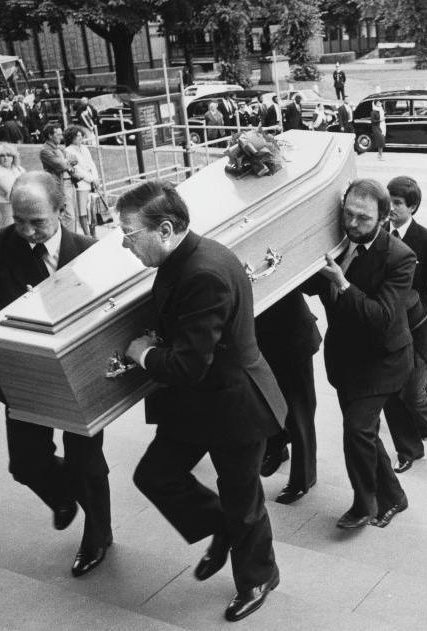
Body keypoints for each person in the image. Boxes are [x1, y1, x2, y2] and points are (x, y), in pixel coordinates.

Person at [120, 181, 286, 622]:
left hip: (234, 406)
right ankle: (221, 527)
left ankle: (258, 577)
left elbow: (189, 365)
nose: (125, 243)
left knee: (242, 498)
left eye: (130, 234)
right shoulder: (185, 258)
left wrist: (143, 354)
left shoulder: (203, 272)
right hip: (198, 404)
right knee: (155, 475)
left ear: (165, 229)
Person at [0, 170, 111, 577]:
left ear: (62, 210)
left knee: (86, 461)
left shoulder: (92, 252)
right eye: (18, 220)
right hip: (23, 377)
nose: (26, 230)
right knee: (25, 464)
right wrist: (14, 331)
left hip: (79, 379)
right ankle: (62, 496)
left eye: (37, 221)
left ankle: (99, 534)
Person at [300, 179, 413, 530]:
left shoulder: (400, 257)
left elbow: (381, 318)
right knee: (364, 433)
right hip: (346, 360)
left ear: (383, 217)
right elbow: (311, 284)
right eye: (348, 214)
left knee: (356, 430)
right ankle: (394, 495)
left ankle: (365, 504)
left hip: (383, 361)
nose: (351, 224)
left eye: (362, 218)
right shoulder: (338, 243)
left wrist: (342, 283)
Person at [382, 176, 427, 473]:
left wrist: (419, 306)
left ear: (412, 206)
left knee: (414, 390)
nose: (392, 209)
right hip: (387, 327)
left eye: (398, 203)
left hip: (416, 328)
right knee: (391, 392)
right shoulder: (378, 234)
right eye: (389, 202)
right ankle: (408, 450)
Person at [255, 290, 321, 504]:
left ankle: (304, 478)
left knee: (299, 410)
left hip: (292, 338)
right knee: (268, 401)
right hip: (264, 340)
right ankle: (278, 449)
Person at [39, 124, 78, 232]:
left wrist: (65, 163)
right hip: (58, 186)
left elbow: (75, 159)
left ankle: (70, 238)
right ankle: (67, 240)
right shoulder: (45, 151)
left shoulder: (59, 149)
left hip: (68, 184)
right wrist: (66, 163)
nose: (61, 137)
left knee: (70, 215)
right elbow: (61, 166)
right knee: (67, 216)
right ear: (50, 135)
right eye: (58, 134)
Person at [63, 126, 100, 237]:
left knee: (92, 209)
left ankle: (94, 232)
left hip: (92, 181)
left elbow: (91, 163)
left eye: (81, 135)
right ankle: (87, 234)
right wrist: (90, 179)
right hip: (81, 183)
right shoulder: (68, 151)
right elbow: (77, 169)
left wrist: (95, 178)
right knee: (83, 210)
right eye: (77, 136)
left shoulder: (84, 148)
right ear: (71, 137)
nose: (80, 138)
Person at [0, 144, 26, 227]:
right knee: (10, 227)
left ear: (13, 157)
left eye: (8, 155)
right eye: (2, 156)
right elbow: (9, 191)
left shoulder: (19, 169)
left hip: (21, 202)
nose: (5, 158)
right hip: (7, 204)